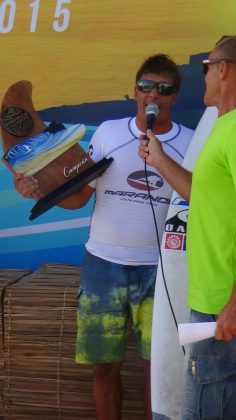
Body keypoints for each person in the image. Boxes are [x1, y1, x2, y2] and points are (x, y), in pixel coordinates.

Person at [14, 54, 193, 420]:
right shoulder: (110, 133)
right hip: (103, 267)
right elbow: (79, 196)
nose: (153, 95)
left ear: (175, 97)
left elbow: (197, 203)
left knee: (155, 371)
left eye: (164, 88)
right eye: (145, 87)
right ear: (134, 92)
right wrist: (36, 191)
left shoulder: (191, 143)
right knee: (103, 366)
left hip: (158, 274)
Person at [139, 37, 236, 419]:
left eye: (206, 67)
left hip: (222, 309)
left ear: (224, 69)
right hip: (212, 304)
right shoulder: (222, 128)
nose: (205, 77)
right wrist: (160, 160)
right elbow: (204, 194)